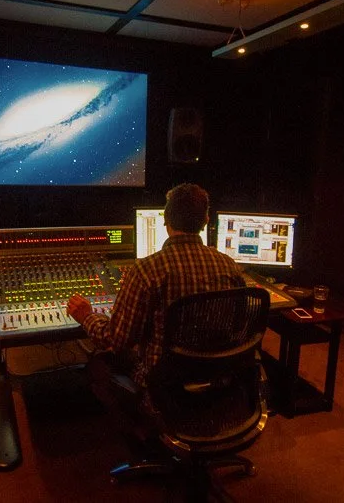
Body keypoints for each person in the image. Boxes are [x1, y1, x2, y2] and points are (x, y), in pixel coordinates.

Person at [66, 183, 245, 445]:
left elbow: (116, 341)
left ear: (166, 219)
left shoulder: (147, 270)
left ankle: (144, 433)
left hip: (164, 387)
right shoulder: (229, 266)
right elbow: (239, 328)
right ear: (206, 220)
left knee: (98, 362)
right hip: (218, 381)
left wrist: (87, 317)